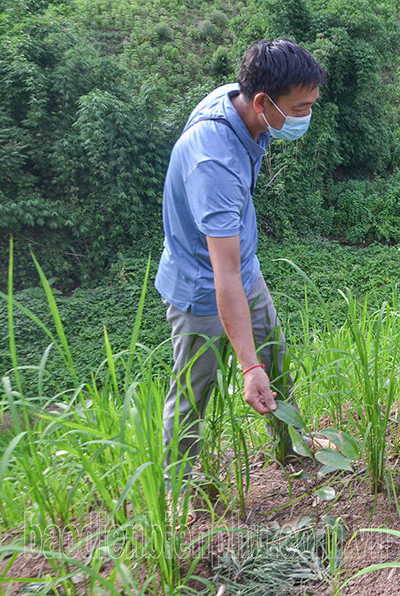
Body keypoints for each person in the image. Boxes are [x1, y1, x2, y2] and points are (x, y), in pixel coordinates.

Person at [155, 39, 325, 487]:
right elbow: (221, 275)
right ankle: (176, 489)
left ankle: (293, 447)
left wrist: (259, 362)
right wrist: (248, 369)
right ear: (264, 102)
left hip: (242, 269)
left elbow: (235, 267)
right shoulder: (214, 163)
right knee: (194, 391)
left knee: (277, 359)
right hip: (202, 288)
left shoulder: (241, 99)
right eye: (301, 107)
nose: (306, 116)